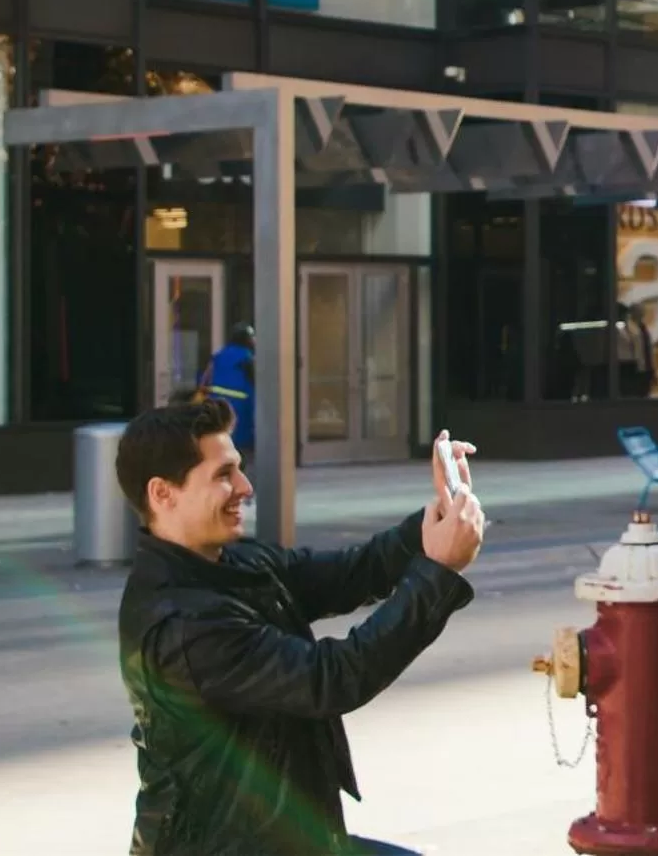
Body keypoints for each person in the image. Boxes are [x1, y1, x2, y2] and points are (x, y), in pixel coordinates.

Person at [115, 400, 484, 856]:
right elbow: (330, 678)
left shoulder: (236, 561)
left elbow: (354, 572)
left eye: (240, 469)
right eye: (223, 474)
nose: (245, 487)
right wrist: (437, 573)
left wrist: (439, 518)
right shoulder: (183, 625)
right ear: (162, 493)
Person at [199, 323, 257, 458]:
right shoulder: (246, 358)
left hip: (217, 403)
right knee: (241, 442)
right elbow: (255, 381)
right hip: (242, 406)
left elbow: (205, 380)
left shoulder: (219, 355)